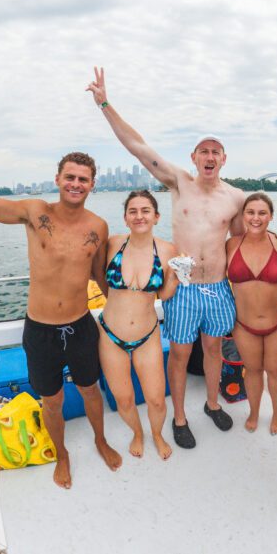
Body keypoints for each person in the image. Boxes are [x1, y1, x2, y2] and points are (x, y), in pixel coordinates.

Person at [0, 113, 122, 489]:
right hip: (40, 329)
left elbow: (99, 275)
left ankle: (100, 440)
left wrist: (123, 312)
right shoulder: (35, 212)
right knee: (52, 401)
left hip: (80, 326)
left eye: (83, 179)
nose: (76, 183)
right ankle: (62, 454)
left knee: (92, 389)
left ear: (92, 185)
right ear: (58, 179)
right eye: (69, 177)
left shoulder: (97, 227)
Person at [86, 68, 245, 449]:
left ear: (223, 159)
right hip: (185, 288)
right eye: (203, 150)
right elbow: (137, 147)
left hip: (218, 287)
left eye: (215, 151)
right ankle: (178, 416)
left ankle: (210, 403)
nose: (209, 156)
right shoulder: (178, 182)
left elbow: (244, 242)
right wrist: (105, 104)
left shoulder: (236, 198)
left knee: (213, 349)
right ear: (193, 157)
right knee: (180, 353)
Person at [98, 191, 178, 460]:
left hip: (147, 335)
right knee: (124, 399)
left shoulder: (167, 251)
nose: (139, 216)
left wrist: (176, 280)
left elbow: (164, 294)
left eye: (146, 210)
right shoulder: (112, 244)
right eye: (133, 211)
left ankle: (156, 434)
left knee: (156, 399)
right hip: (110, 335)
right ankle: (137, 433)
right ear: (125, 217)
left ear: (156, 216)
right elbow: (97, 276)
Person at [226, 193, 277, 435]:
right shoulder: (231, 245)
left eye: (262, 213)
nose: (256, 218)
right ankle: (254, 412)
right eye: (250, 212)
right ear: (243, 216)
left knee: (276, 371)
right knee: (252, 370)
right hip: (244, 324)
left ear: (271, 216)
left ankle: (276, 415)